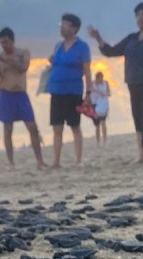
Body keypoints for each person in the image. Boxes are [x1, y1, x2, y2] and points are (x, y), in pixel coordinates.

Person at [89, 2, 143, 163]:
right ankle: (141, 154)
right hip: (133, 82)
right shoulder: (131, 38)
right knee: (137, 117)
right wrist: (98, 38)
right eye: (137, 15)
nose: (140, 18)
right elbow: (111, 51)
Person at [0, 27, 47, 169]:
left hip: (21, 94)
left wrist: (4, 59)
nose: (4, 45)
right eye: (2, 43)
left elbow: (23, 67)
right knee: (8, 130)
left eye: (6, 42)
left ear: (12, 41)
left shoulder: (23, 53)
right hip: (6, 94)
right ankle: (11, 163)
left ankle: (40, 161)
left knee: (33, 128)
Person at [47, 14, 92, 168]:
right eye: (61, 24)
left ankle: (78, 160)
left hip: (73, 91)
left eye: (65, 25)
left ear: (73, 28)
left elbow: (87, 70)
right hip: (56, 90)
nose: (62, 27)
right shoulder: (58, 45)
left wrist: (89, 92)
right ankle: (56, 161)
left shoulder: (82, 46)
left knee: (74, 125)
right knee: (57, 127)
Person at [90, 72, 111, 144]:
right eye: (98, 78)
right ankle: (98, 141)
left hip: (104, 105)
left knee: (103, 122)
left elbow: (109, 93)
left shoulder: (106, 83)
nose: (100, 80)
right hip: (95, 105)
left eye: (101, 78)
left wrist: (104, 94)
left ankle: (105, 140)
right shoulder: (92, 84)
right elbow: (90, 89)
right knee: (97, 124)